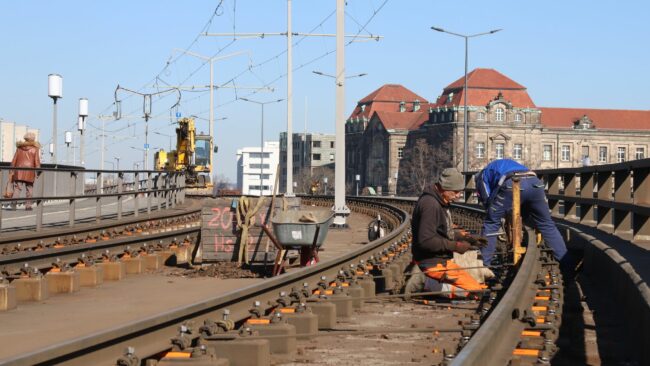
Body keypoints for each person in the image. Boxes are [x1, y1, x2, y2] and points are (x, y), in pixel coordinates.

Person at [405, 168, 488, 298]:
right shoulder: (430, 205)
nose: (458, 196)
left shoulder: (440, 201)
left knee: (476, 287)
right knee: (476, 291)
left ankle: (422, 285)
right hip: (432, 262)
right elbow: (426, 241)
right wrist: (456, 246)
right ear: (444, 189)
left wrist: (468, 238)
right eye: (455, 192)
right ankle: (419, 286)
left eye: (460, 192)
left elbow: (443, 231)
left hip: (439, 259)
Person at [475, 159, 568, 266]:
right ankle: (566, 265)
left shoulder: (481, 177)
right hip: (535, 182)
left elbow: (487, 200)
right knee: (547, 224)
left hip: (512, 182)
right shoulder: (500, 165)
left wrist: (493, 213)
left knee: (491, 223)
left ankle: (484, 266)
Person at [8, 132, 41, 210]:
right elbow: (37, 161)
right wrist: (38, 171)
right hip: (30, 171)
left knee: (17, 188)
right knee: (29, 188)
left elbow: (14, 160)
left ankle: (13, 203)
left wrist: (11, 169)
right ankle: (28, 206)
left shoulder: (19, 148)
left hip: (19, 170)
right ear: (33, 139)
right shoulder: (34, 149)